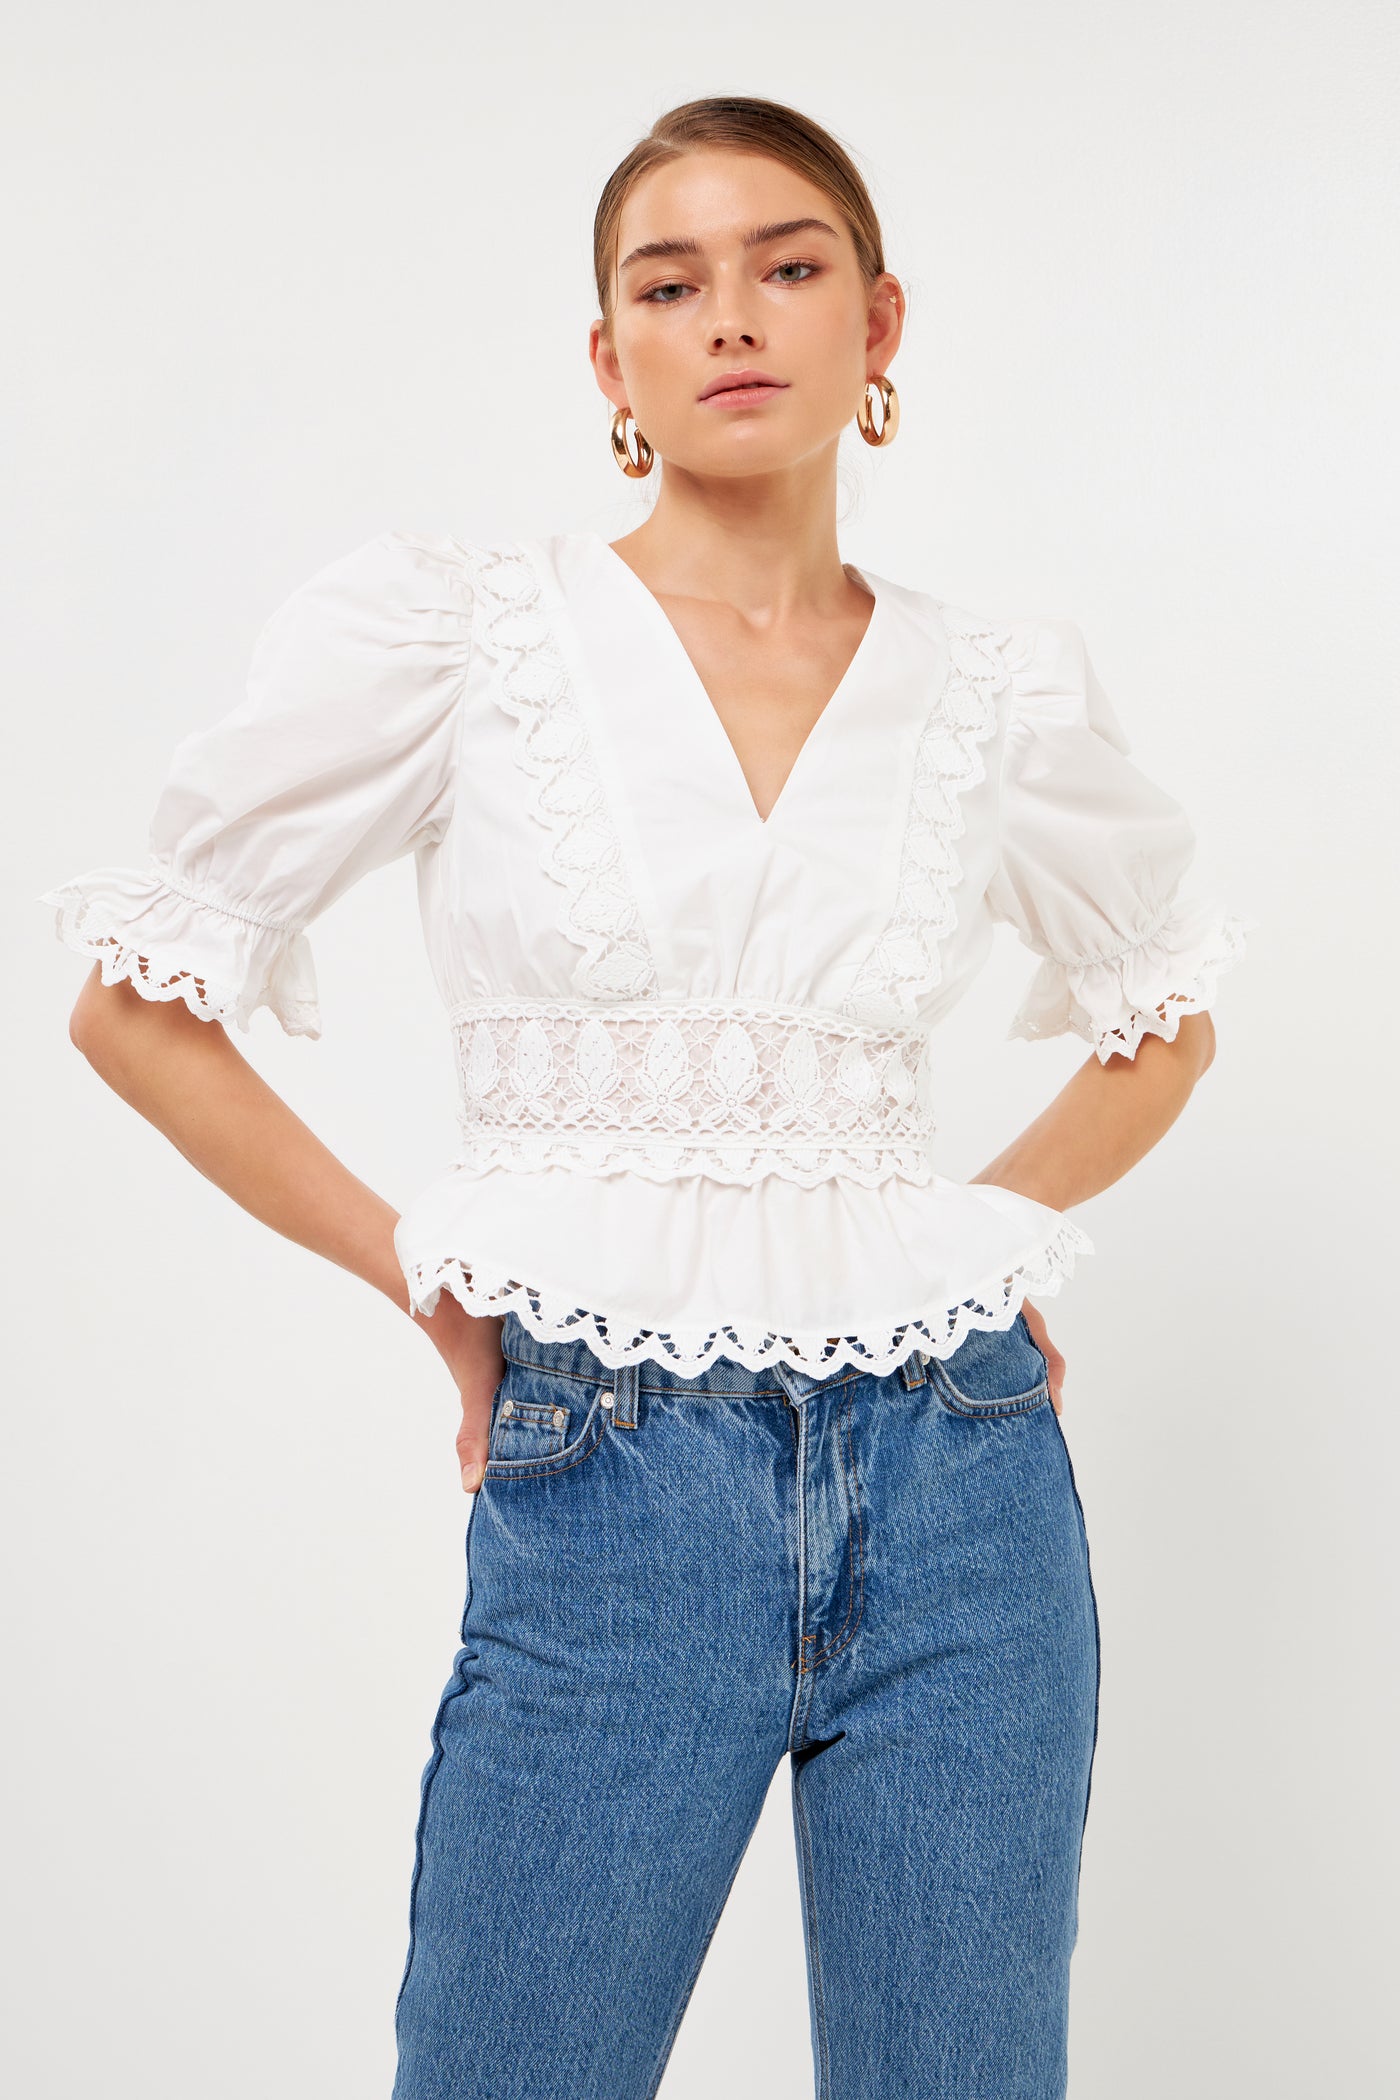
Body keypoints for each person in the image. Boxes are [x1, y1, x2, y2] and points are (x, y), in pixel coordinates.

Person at [40, 94, 1250, 2100]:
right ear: (610, 361)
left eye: (787, 266)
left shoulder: (997, 687)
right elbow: (132, 1009)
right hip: (606, 1477)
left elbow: (1164, 1014)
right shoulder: (461, 640)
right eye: (668, 287)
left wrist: (979, 1238)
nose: (732, 319)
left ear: (878, 321)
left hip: (963, 1480)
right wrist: (423, 1272)